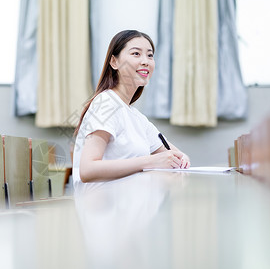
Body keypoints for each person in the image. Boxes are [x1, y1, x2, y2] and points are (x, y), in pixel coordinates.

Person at [72, 30, 190, 187]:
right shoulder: (106, 103)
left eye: (150, 55)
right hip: (101, 206)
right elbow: (88, 170)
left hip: (128, 201)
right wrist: (151, 161)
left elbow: (176, 156)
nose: (145, 61)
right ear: (114, 62)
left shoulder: (137, 118)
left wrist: (182, 159)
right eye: (136, 54)